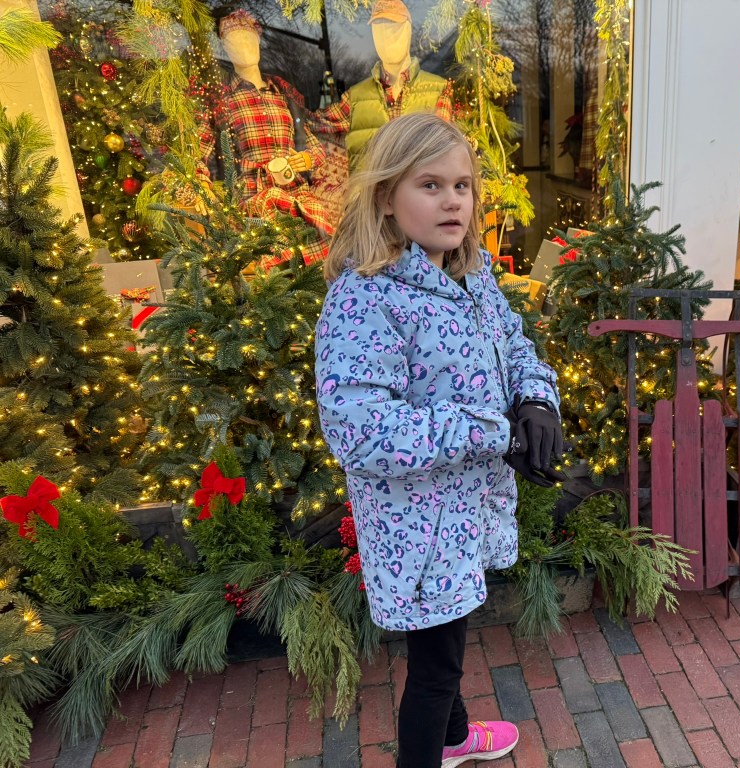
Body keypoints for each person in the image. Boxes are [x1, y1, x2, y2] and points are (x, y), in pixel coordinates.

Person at [314, 113, 564, 768]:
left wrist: (535, 402)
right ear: (386, 198)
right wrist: (495, 433)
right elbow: (361, 427)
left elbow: (515, 345)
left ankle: (453, 740)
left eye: (462, 185)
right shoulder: (366, 298)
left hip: (466, 511)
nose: (453, 200)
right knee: (435, 668)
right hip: (418, 525)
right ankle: (432, 749)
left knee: (444, 646)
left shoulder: (471, 276)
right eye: (430, 185)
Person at [198, 9, 339, 263]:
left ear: (258, 40)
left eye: (248, 37)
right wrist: (200, 186)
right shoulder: (222, 99)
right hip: (254, 201)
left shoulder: (282, 93)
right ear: (225, 49)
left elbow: (315, 147)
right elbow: (199, 152)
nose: (244, 45)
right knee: (277, 244)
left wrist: (306, 160)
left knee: (323, 244)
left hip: (295, 192)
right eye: (234, 40)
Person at [314, 0, 453, 171]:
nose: (386, 37)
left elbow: (443, 153)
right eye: (379, 31)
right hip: (369, 189)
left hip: (417, 188)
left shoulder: (438, 89)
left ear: (407, 31)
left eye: (394, 28)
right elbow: (313, 125)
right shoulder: (355, 98)